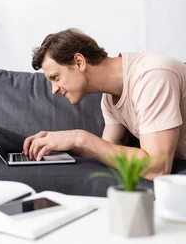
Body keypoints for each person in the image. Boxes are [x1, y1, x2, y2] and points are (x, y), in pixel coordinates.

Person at [24, 28, 185, 180]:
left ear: (79, 62)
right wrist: (59, 142)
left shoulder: (152, 76)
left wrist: (79, 137)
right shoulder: (109, 99)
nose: (54, 90)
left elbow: (157, 168)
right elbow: (107, 151)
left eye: (55, 77)